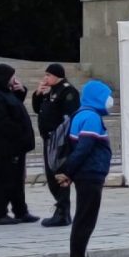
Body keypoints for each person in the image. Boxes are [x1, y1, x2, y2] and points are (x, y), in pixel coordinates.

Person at [51, 80, 113, 257]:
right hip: (90, 175)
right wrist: (67, 172)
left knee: (82, 220)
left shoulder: (82, 114)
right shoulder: (91, 117)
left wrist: (69, 173)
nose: (110, 101)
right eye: (107, 96)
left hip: (86, 174)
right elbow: (84, 149)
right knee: (84, 221)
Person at [0, 64, 35, 226]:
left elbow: (14, 106)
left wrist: (20, 91)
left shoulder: (4, 91)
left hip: (15, 145)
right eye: (11, 77)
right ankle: (0, 213)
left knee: (16, 179)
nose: (14, 80)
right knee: (3, 179)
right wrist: (18, 131)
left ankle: (20, 210)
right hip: (4, 146)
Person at [31, 64, 80, 228]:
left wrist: (62, 139)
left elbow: (69, 117)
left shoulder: (67, 91)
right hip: (49, 139)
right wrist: (38, 94)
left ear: (57, 75)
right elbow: (38, 109)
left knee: (59, 176)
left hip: (59, 141)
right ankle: (61, 210)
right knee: (51, 176)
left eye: (48, 75)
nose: (45, 78)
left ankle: (62, 213)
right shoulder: (51, 90)